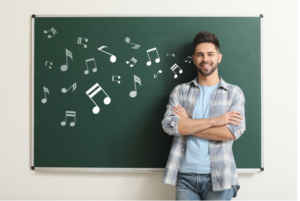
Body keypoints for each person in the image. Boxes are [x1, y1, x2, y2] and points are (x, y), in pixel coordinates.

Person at [161, 31, 246, 200]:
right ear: (194, 59)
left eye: (210, 54)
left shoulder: (233, 93)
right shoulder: (181, 91)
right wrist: (215, 121)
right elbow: (170, 125)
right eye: (200, 55)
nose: (205, 59)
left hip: (220, 176)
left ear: (219, 57)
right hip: (185, 176)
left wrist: (187, 124)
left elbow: (231, 132)